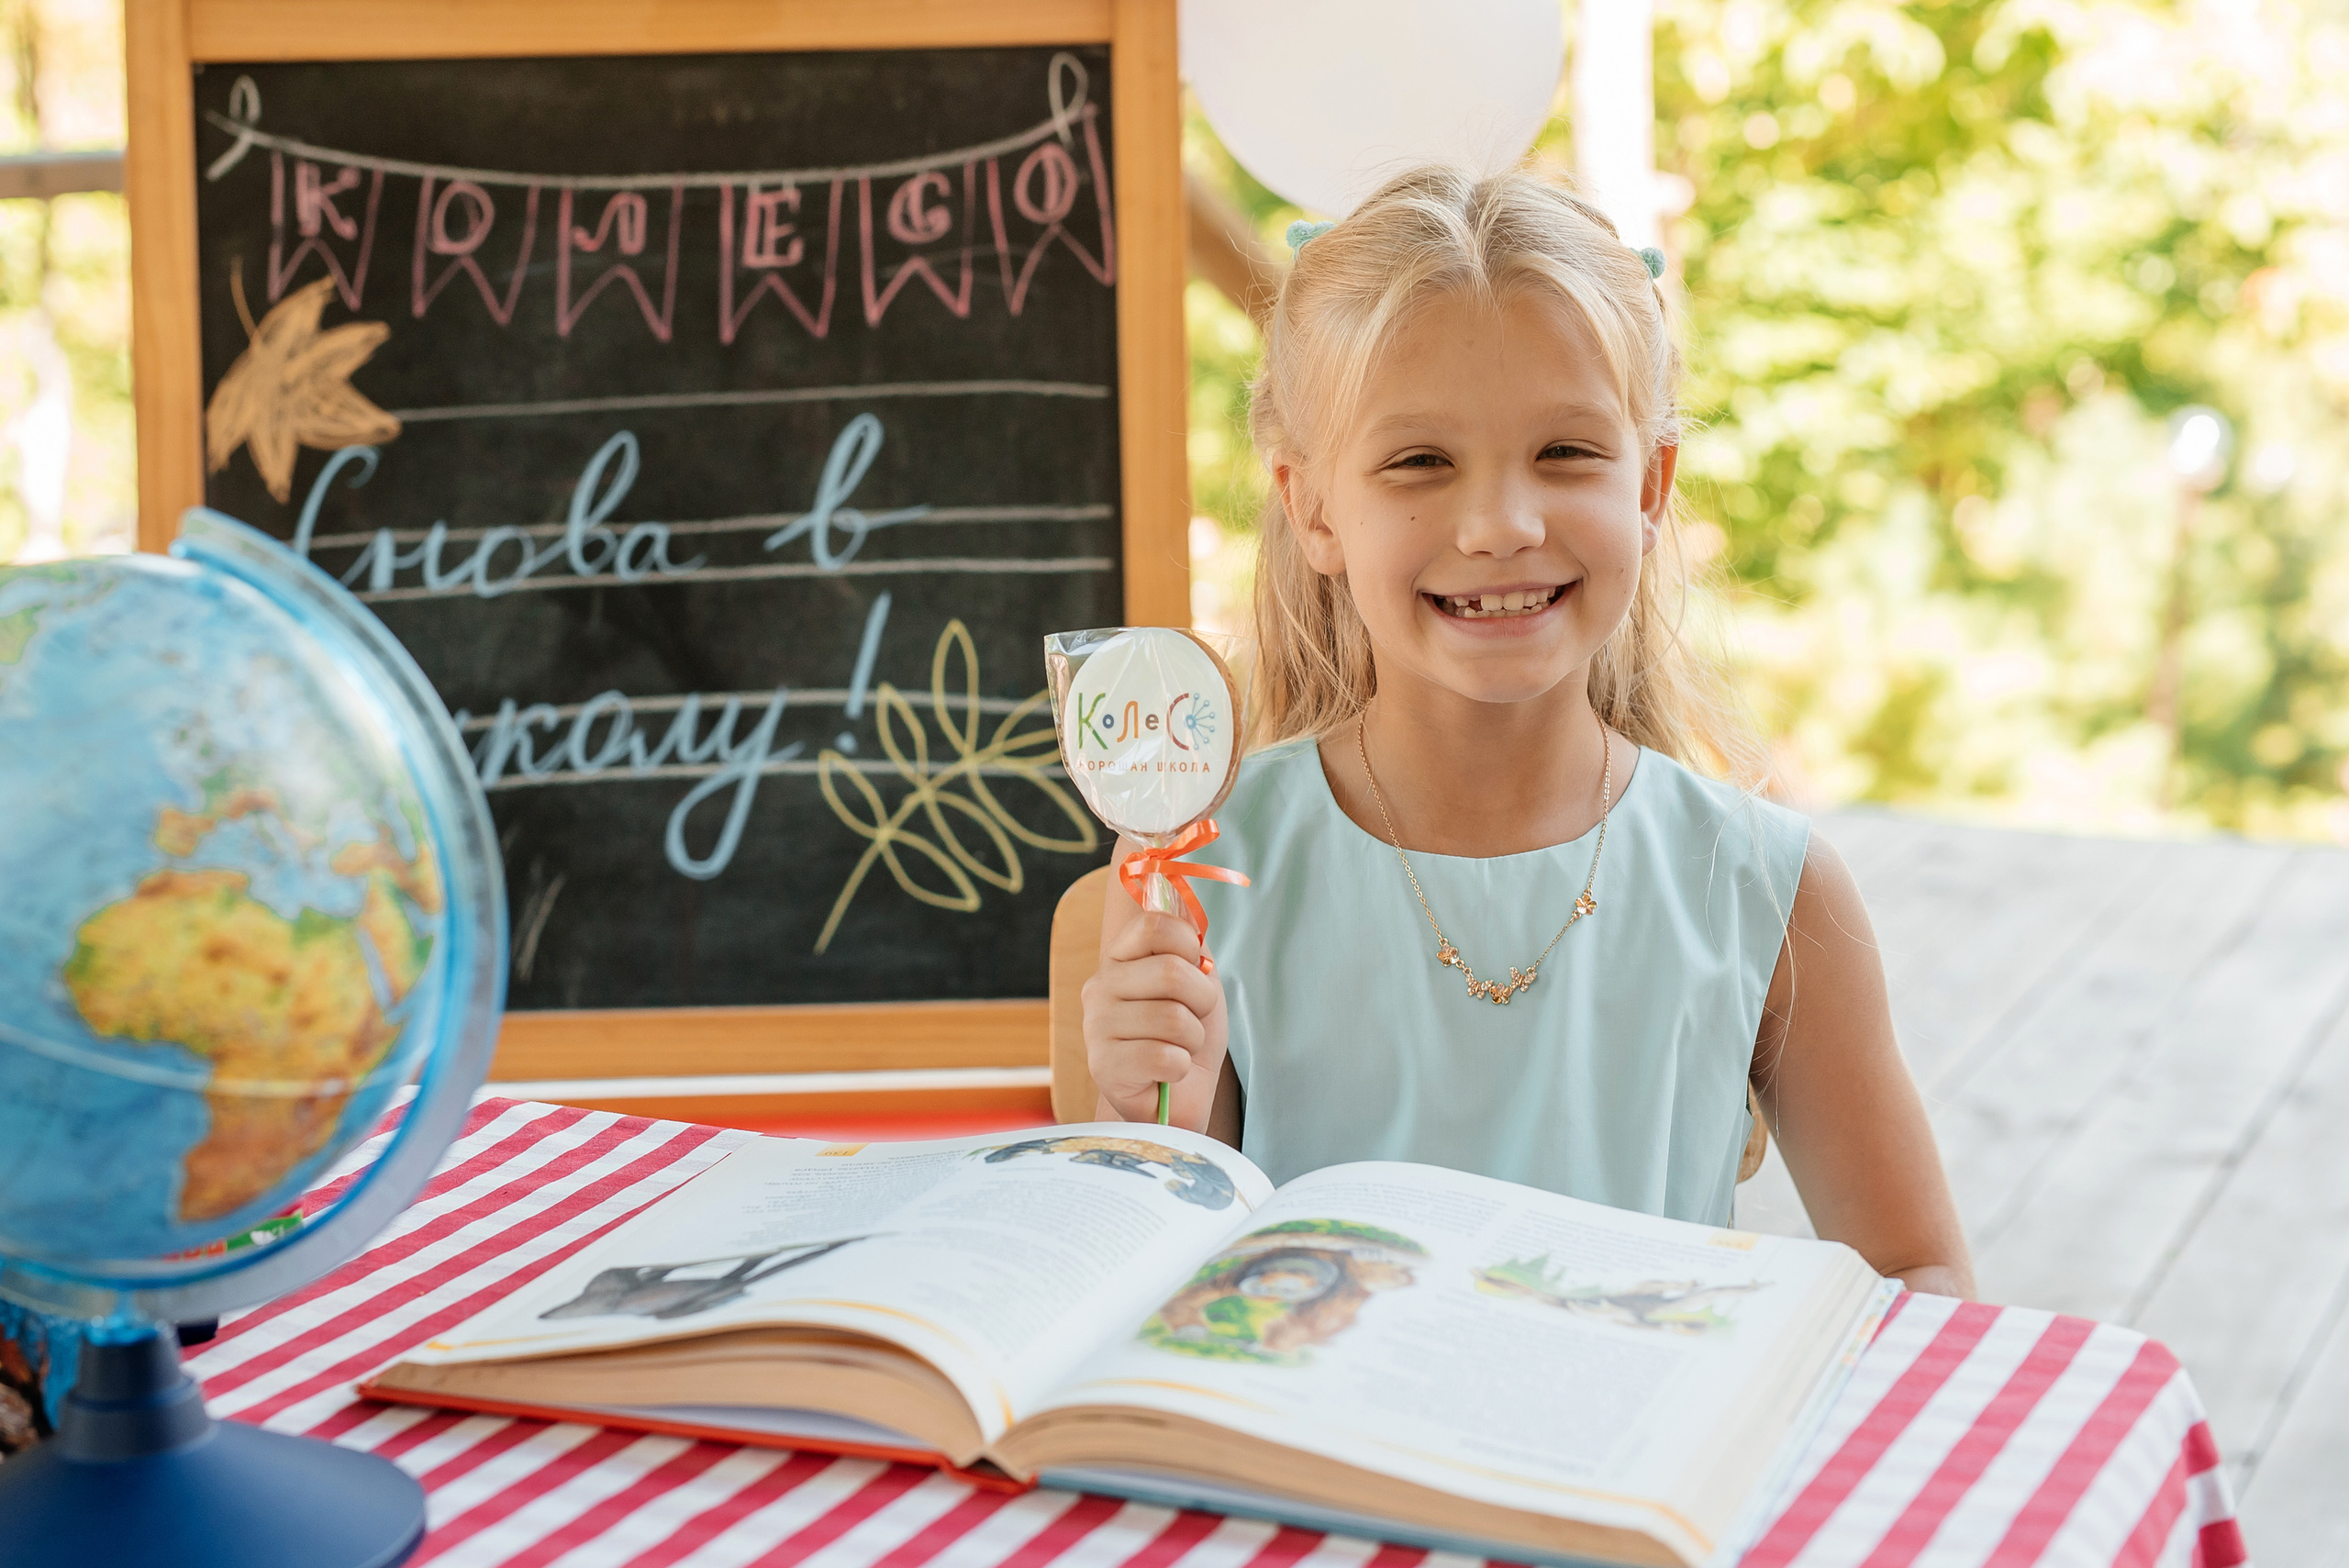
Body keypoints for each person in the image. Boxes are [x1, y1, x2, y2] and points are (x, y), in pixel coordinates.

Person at [1083, 165, 1974, 1298]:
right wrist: (1135, 1106)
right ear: (1312, 507)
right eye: (1419, 462)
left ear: (1650, 489)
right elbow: (1142, 1276)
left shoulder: (1764, 884)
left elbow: (1918, 1265)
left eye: (1565, 453)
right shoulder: (1203, 867)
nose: (1501, 524)